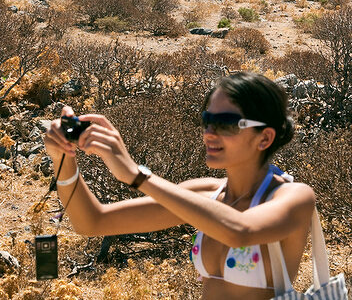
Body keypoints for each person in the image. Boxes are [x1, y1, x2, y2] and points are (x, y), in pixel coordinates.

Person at [43, 72, 315, 300]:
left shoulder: (294, 197)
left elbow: (241, 231)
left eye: (226, 124)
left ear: (264, 138)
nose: (210, 132)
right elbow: (92, 222)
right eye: (207, 120)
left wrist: (138, 176)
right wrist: (63, 160)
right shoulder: (205, 193)